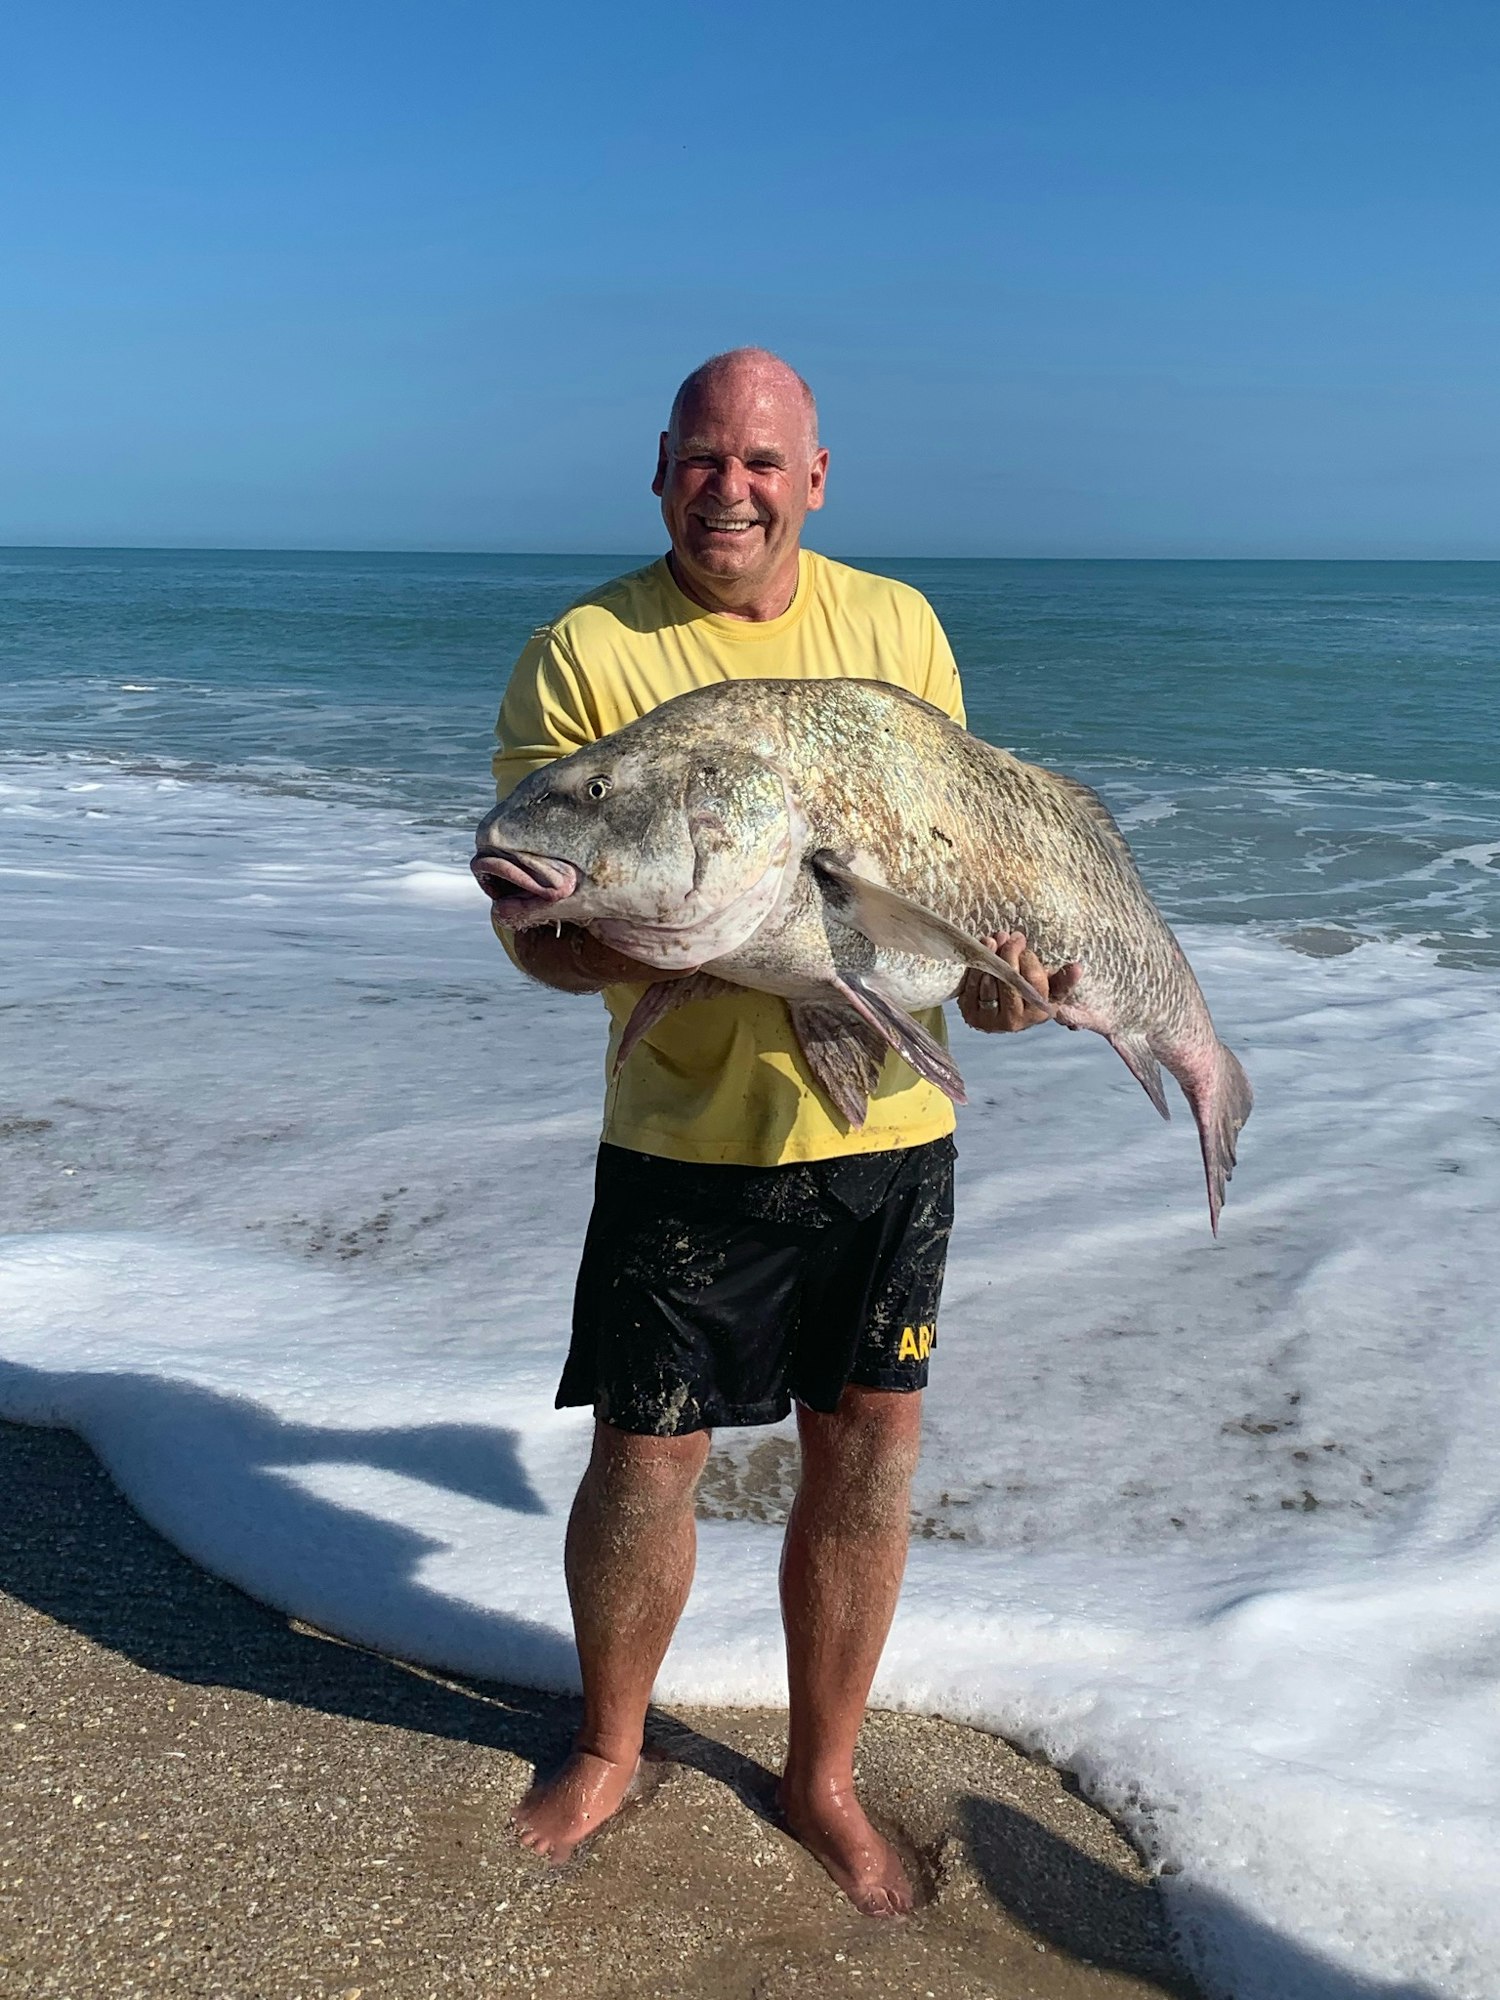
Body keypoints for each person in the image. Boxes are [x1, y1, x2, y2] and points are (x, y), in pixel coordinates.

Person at [488, 348, 1078, 1917]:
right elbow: (532, 929)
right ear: (659, 467)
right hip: (685, 1137)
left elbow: (951, 866)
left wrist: (1013, 984)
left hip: (888, 1125)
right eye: (701, 459)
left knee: (869, 1449)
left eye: (762, 461)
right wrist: (659, 930)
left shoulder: (899, 631)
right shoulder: (588, 653)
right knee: (646, 1453)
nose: (729, 488)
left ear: (815, 476)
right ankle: (614, 1744)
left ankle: (821, 1773)